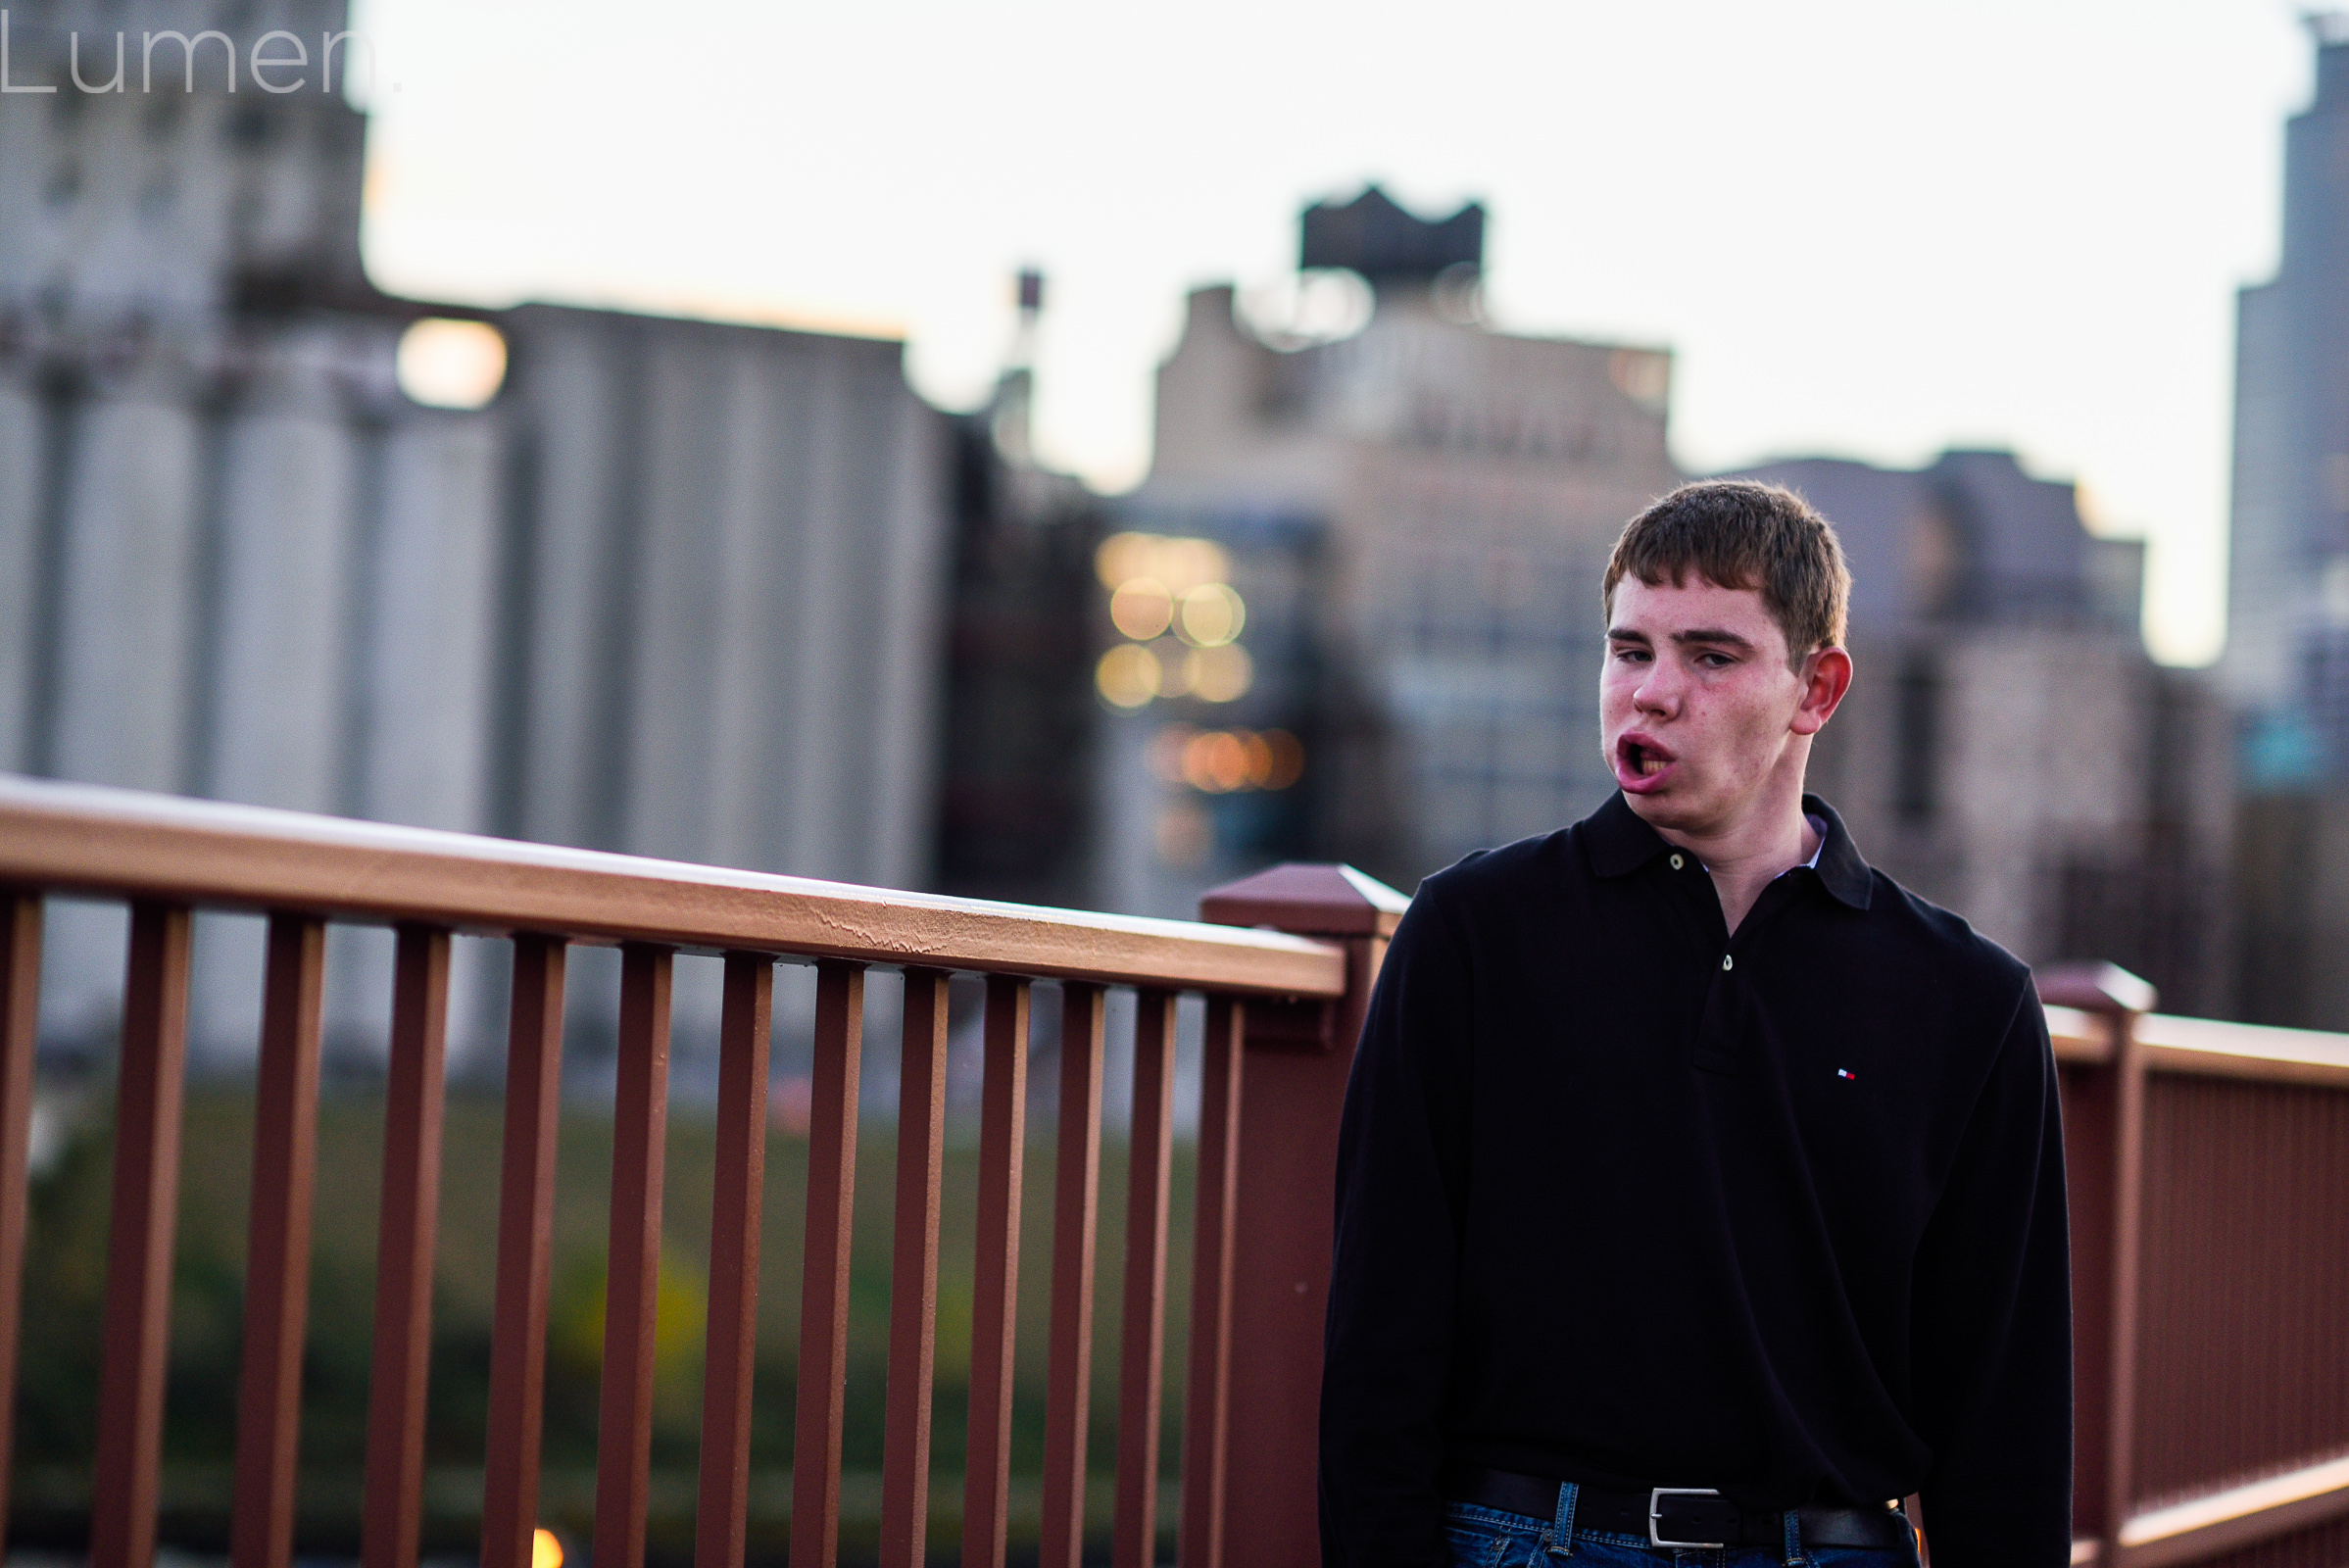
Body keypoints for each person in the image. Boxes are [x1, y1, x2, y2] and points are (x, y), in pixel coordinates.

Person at [1319, 480, 2071, 1568]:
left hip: (1829, 1547)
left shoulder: (1969, 999)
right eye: (1631, 651)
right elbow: (1378, 1335)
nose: (1652, 694)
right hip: (1527, 1539)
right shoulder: (1475, 932)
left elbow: (2006, 1413)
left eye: (1710, 657)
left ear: (1816, 689)